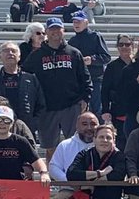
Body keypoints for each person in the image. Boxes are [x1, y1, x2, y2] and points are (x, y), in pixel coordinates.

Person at [22, 17, 92, 153]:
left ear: (63, 30)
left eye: (58, 28)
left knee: (75, 144)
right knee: (50, 148)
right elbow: (24, 75)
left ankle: (73, 173)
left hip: (71, 105)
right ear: (46, 32)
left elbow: (85, 78)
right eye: (51, 29)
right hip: (47, 107)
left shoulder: (73, 53)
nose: (55, 32)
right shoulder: (37, 55)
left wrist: (86, 98)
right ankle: (53, 174)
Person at [48, 109, 98, 199]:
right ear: (77, 126)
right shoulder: (66, 145)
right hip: (71, 190)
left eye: (93, 124)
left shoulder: (105, 142)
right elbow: (53, 167)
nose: (89, 127)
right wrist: (70, 182)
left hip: (99, 190)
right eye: (84, 124)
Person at [0, 42, 44, 142]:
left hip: (24, 130)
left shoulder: (31, 79)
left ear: (19, 56)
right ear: (0, 56)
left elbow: (41, 106)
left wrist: (32, 125)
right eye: (6, 51)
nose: (10, 53)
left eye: (13, 51)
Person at [70, 11, 111, 117]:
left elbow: (106, 57)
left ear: (86, 22)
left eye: (79, 21)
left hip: (95, 80)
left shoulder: (95, 36)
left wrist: (92, 60)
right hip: (79, 82)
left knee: (97, 111)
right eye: (74, 22)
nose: (76, 24)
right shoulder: (72, 41)